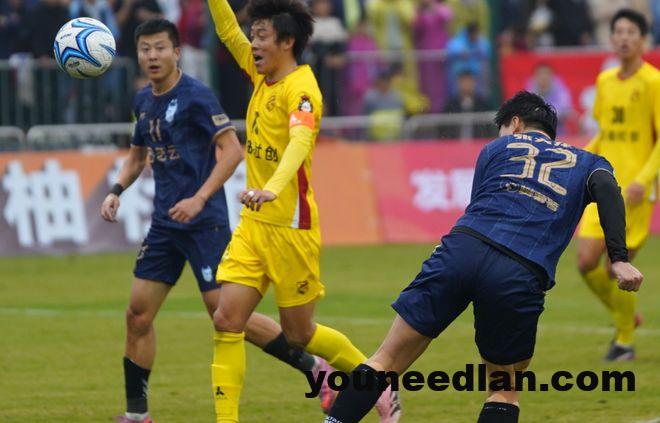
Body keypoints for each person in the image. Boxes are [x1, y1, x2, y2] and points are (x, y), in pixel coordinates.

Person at [323, 91, 643, 423]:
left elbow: (477, 206)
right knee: (504, 388)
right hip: (518, 269)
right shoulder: (588, 162)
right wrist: (618, 258)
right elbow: (608, 189)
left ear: (515, 124)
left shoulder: (495, 149)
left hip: (461, 251)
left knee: (384, 360)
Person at [101, 18, 334, 423]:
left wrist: (199, 198)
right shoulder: (143, 101)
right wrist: (116, 190)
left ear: (177, 52)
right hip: (165, 223)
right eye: (145, 49)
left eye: (160, 48)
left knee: (224, 315)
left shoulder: (197, 96)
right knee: (137, 314)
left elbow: (232, 151)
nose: (153, 56)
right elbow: (138, 157)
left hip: (204, 221)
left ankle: (314, 367)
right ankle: (137, 415)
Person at [207, 0, 401, 421]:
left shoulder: (303, 90)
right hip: (254, 224)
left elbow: (299, 144)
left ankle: (376, 380)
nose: (252, 43)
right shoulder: (258, 71)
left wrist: (272, 188)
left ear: (287, 41)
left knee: (299, 333)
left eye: (261, 36)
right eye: (253, 35)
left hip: (291, 227)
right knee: (226, 318)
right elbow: (226, 31)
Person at [576, 8, 660, 361]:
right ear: (611, 39)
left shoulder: (653, 82)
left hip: (636, 192)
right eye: (619, 32)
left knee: (616, 268)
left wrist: (644, 179)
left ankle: (624, 340)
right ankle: (625, 316)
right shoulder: (605, 81)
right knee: (585, 262)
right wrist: (581, 160)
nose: (624, 37)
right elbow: (605, 135)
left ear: (643, 40)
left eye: (631, 32)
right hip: (604, 186)